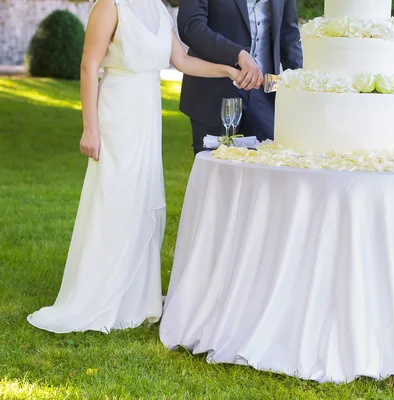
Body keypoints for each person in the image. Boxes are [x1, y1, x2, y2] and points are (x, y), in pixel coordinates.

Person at [27, 0, 239, 334]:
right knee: (114, 202)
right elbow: (88, 66)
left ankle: (138, 299)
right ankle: (99, 295)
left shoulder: (157, 8)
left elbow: (181, 60)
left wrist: (227, 70)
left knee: (141, 200)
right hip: (116, 113)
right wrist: (90, 128)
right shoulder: (109, 5)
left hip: (147, 114)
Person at [177, 0, 303, 155]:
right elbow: (191, 26)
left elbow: (288, 33)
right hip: (213, 95)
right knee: (217, 174)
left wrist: (298, 87)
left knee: (267, 170)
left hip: (264, 95)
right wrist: (237, 54)